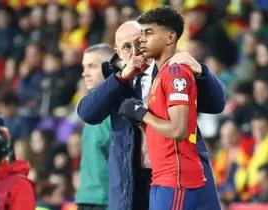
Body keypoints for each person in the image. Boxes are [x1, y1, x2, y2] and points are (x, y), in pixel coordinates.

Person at [78, 21, 225, 210]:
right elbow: (87, 113)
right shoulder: (115, 81)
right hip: (132, 181)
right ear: (118, 52)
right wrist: (121, 78)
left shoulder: (174, 70)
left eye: (139, 43)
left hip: (176, 177)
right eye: (126, 47)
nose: (135, 51)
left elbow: (216, 103)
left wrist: (202, 72)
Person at [118, 6, 212, 209]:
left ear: (170, 38)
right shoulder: (162, 74)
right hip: (165, 177)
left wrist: (142, 115)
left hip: (176, 179)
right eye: (141, 33)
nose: (141, 39)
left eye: (148, 33)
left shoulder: (175, 73)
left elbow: (178, 130)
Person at [75, 44, 114, 210]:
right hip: (86, 197)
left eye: (92, 66)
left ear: (108, 67)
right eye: (84, 67)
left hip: (107, 200)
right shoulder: (91, 107)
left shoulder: (118, 106)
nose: (84, 73)